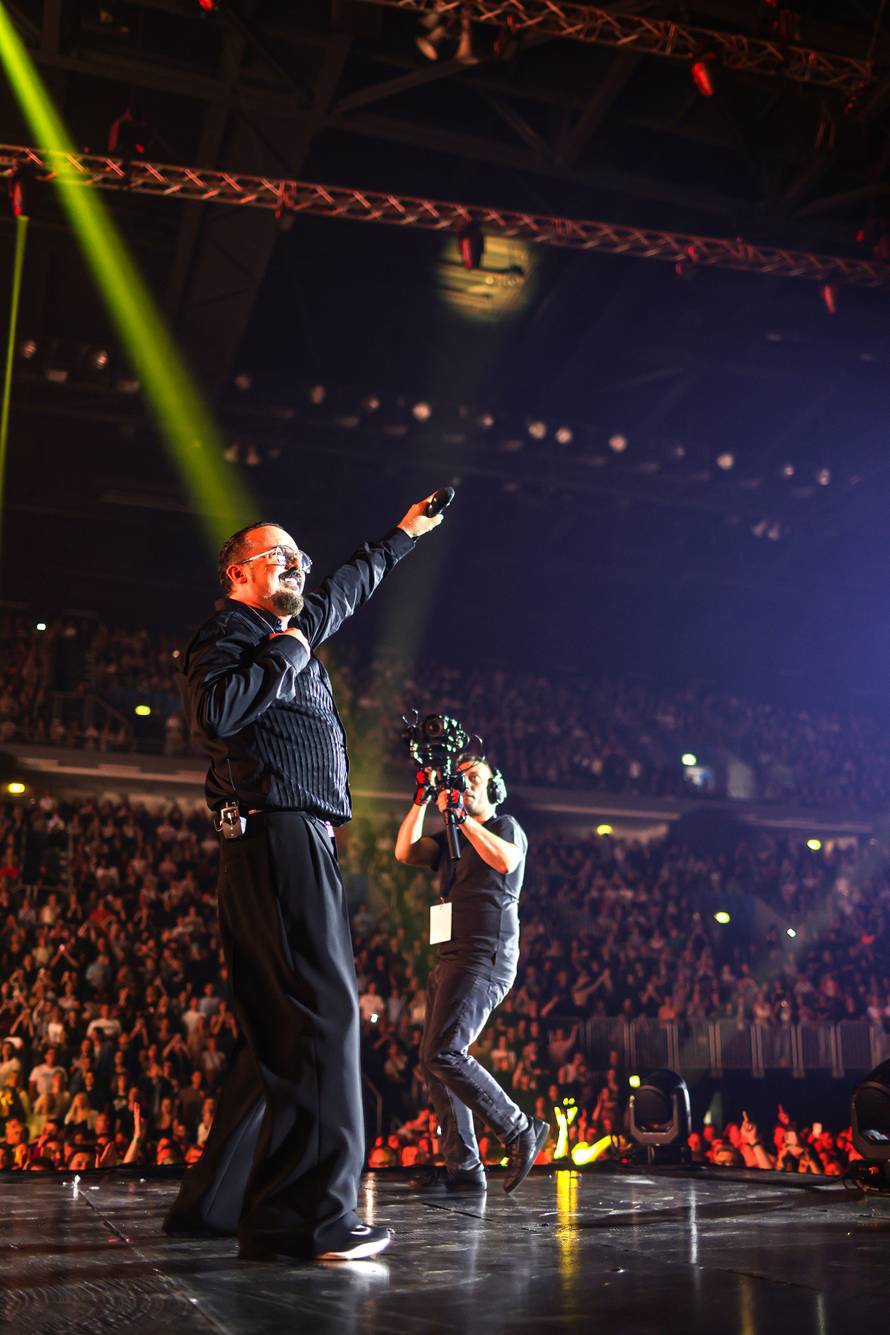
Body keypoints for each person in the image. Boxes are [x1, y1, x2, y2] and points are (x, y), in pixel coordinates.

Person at [162, 497, 444, 1262]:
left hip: (288, 837)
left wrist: (403, 534)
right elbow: (216, 713)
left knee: (275, 1032)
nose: (298, 562)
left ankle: (213, 1205)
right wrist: (286, 657)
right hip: (276, 831)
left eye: (300, 555)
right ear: (237, 572)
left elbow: (347, 586)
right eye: (279, 555)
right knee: (325, 1015)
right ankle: (311, 1218)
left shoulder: (289, 626)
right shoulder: (232, 634)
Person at [394, 752, 549, 1195]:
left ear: (494, 787)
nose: (468, 785)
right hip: (449, 955)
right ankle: (464, 1167)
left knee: (446, 1052)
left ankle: (519, 1129)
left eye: (476, 778)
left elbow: (505, 861)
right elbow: (405, 850)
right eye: (462, 780)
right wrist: (423, 800)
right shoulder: (450, 838)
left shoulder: (505, 826)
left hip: (485, 956)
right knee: (433, 1060)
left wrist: (462, 819)